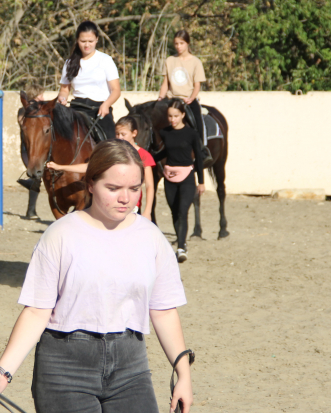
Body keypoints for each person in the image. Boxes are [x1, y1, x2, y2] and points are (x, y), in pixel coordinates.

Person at [0, 139, 193, 413]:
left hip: (131, 366)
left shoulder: (151, 238)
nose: (125, 198)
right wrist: (4, 371)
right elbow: (36, 311)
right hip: (64, 368)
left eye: (134, 188)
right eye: (113, 187)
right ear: (90, 184)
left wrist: (183, 375)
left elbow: (163, 311)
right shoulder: (60, 235)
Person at [46, 116, 156, 220]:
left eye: (123, 134)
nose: (119, 137)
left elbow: (149, 185)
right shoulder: (112, 153)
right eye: (117, 134)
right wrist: (60, 167)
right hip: (110, 205)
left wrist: (147, 211)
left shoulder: (144, 155)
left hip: (130, 207)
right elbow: (89, 167)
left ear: (134, 133)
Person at [56, 21, 121, 141]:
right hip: (77, 108)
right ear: (77, 40)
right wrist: (62, 98)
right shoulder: (69, 63)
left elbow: (116, 90)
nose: (87, 45)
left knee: (111, 145)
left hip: (99, 110)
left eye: (90, 41)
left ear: (96, 39)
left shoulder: (105, 60)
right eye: (83, 41)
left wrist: (106, 105)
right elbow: (64, 89)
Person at [158, 100, 205, 263]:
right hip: (169, 178)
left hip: (187, 177)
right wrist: (145, 157)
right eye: (170, 116)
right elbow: (164, 152)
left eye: (176, 116)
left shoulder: (191, 134)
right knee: (174, 211)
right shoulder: (164, 133)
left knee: (183, 210)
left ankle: (181, 246)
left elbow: (198, 157)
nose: (172, 119)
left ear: (183, 115)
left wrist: (201, 181)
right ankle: (180, 239)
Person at [157, 30, 210, 165]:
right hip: (172, 99)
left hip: (187, 99)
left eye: (181, 43)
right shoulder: (170, 60)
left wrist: (191, 98)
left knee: (197, 120)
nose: (178, 46)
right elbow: (165, 83)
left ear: (187, 43)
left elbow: (197, 85)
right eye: (176, 44)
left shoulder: (196, 62)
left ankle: (202, 150)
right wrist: (161, 97)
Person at [18, 82, 46, 219]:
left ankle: (31, 211)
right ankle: (31, 211)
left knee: (37, 178)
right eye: (41, 94)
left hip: (40, 150)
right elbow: (22, 121)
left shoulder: (42, 109)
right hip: (27, 150)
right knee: (36, 177)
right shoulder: (24, 110)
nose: (43, 97)